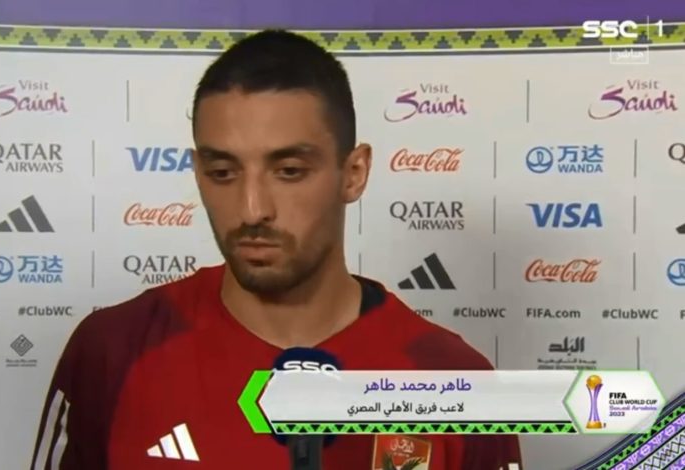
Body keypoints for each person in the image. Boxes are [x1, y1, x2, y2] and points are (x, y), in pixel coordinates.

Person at [30, 29, 522, 470]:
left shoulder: (455, 379)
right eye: (223, 173)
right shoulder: (112, 351)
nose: (252, 210)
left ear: (353, 173)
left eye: (289, 171)